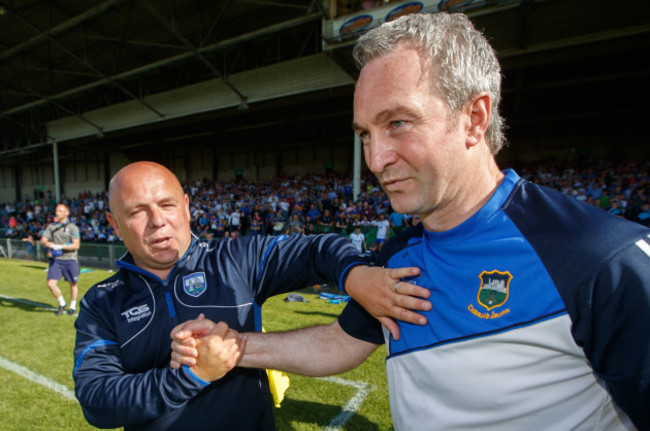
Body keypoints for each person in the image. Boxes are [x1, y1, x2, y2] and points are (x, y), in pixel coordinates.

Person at [171, 13, 650, 430]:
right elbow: (342, 343)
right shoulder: (400, 253)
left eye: (398, 122)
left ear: (474, 119)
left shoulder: (599, 258)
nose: (377, 159)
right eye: (365, 133)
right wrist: (233, 345)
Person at [72, 161, 426, 431]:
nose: (157, 221)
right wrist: (191, 376)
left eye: (166, 205)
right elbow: (97, 400)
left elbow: (318, 249)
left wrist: (355, 275)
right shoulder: (102, 300)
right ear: (114, 223)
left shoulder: (236, 259)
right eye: (137, 211)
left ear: (186, 206)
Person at [40, 203, 80, 315]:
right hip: (56, 259)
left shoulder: (73, 227)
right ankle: (62, 303)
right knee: (51, 283)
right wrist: (48, 243)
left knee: (73, 283)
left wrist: (61, 246)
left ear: (67, 213)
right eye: (57, 210)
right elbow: (43, 240)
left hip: (70, 259)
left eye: (60, 211)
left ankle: (72, 306)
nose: (57, 213)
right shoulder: (51, 226)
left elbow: (76, 245)